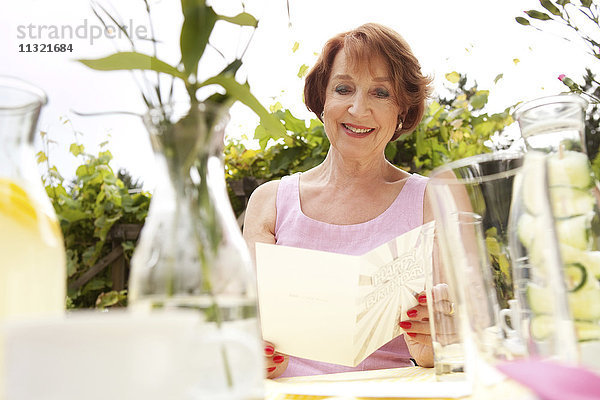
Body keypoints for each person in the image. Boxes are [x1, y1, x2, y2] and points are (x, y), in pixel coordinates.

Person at [243, 22, 437, 379]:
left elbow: (461, 334)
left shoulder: (429, 201)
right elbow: (242, 328)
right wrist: (249, 352)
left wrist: (438, 345)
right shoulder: (269, 203)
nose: (357, 109)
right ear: (322, 101)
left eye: (380, 93)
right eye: (344, 89)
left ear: (402, 112)